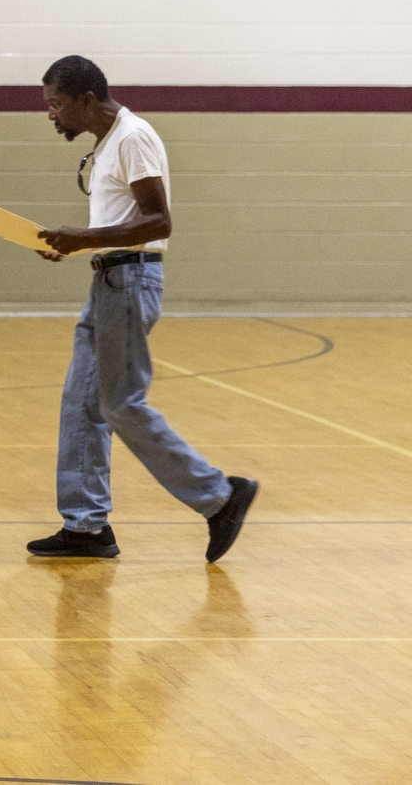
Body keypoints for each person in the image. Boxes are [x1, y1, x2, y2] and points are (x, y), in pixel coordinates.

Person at [29, 55, 257, 562]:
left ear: (86, 100)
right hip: (110, 279)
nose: (50, 113)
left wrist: (83, 237)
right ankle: (86, 527)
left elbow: (158, 222)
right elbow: (123, 224)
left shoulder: (132, 136)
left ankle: (221, 497)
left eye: (56, 103)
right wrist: (74, 244)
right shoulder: (108, 142)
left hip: (129, 282)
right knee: (82, 403)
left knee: (119, 404)